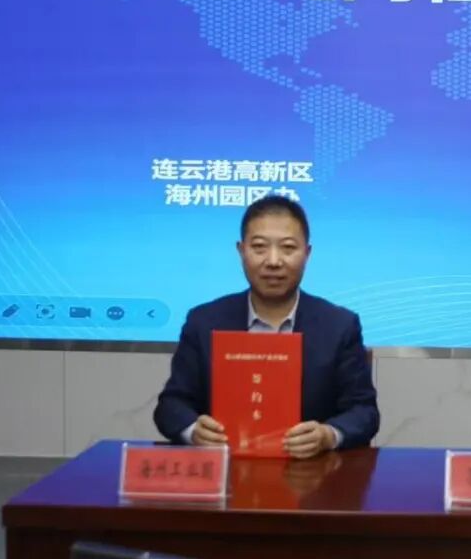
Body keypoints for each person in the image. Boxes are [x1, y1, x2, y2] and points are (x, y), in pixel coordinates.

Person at [154, 196, 380, 458]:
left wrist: (328, 435)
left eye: (288, 248)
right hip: (226, 470)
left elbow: (364, 411)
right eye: (259, 247)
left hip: (311, 473)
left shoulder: (339, 326)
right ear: (241, 251)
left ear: (307, 254)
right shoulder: (204, 322)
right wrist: (194, 431)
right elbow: (171, 405)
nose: (273, 261)